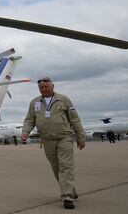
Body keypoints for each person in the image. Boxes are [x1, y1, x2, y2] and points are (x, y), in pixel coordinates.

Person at [21, 77, 85, 210]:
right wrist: (25, 132)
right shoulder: (35, 102)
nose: (44, 89)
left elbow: (75, 119)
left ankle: (66, 196)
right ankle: (70, 189)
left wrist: (81, 137)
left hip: (64, 138)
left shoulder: (64, 100)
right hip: (46, 139)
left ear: (52, 87)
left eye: (46, 87)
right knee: (56, 167)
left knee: (66, 166)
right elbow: (29, 119)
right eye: (41, 88)